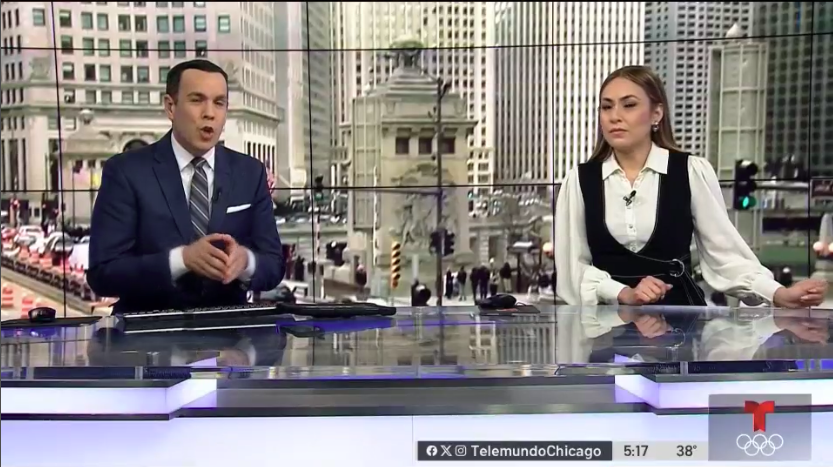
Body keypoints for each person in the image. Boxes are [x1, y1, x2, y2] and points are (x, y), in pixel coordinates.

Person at [555, 65, 826, 321]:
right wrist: (623, 293)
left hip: (680, 328)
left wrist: (778, 294)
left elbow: (724, 255)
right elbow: (572, 270)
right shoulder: (579, 181)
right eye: (606, 107)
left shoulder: (690, 172)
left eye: (629, 105)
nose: (615, 116)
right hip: (605, 329)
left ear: (656, 114)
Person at [87, 59, 284, 313]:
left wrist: (246, 262)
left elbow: (274, 264)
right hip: (147, 338)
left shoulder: (250, 173)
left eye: (219, 103)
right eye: (197, 100)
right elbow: (104, 274)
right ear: (171, 107)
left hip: (230, 339)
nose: (209, 113)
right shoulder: (126, 172)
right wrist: (182, 260)